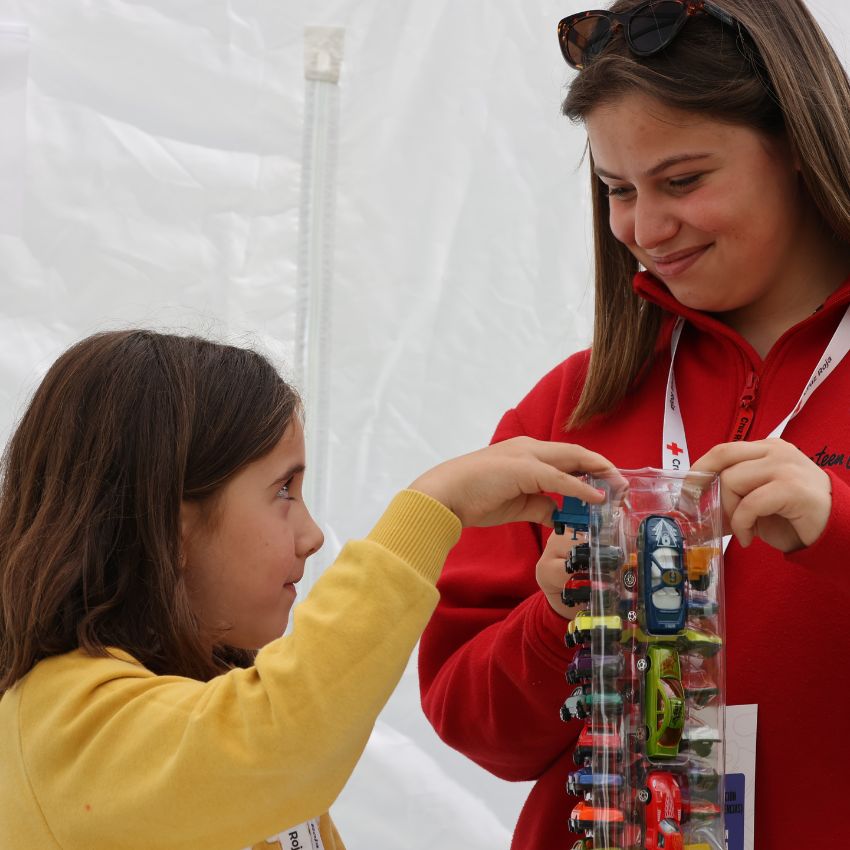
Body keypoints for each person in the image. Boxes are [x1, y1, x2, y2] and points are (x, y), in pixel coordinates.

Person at [418, 1, 850, 847]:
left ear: (797, 144)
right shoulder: (569, 407)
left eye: (683, 181)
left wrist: (837, 525)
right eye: (618, 190)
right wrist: (557, 619)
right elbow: (475, 728)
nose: (645, 231)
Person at [0, 330, 615, 850]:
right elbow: (281, 741)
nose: (312, 534)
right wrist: (433, 510)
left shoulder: (202, 701)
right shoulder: (60, 724)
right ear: (168, 525)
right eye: (283, 492)